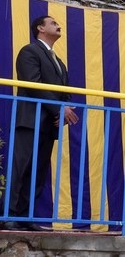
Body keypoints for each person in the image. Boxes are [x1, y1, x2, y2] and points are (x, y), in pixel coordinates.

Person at [4, 16, 79, 231]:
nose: (58, 25)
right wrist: (59, 109)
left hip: (48, 125)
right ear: (40, 28)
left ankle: (25, 217)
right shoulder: (29, 51)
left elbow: (64, 92)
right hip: (30, 121)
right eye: (52, 22)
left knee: (37, 173)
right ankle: (7, 215)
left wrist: (64, 110)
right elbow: (33, 84)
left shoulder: (59, 62)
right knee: (20, 169)